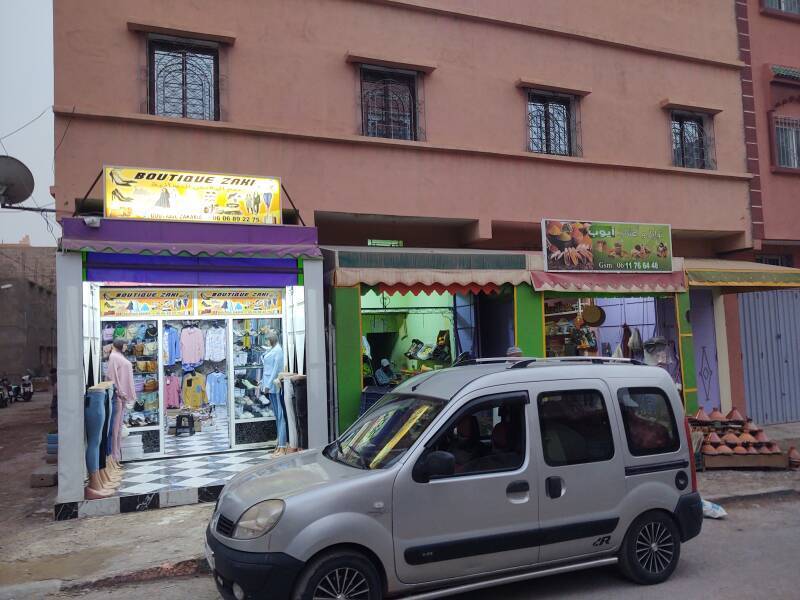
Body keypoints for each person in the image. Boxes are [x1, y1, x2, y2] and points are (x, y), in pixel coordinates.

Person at [260, 332, 288, 456]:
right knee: (277, 416)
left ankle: (282, 445)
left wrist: (268, 385)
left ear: (272, 339)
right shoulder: (272, 350)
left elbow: (276, 369)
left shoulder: (278, 351)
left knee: (281, 416)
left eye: (267, 340)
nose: (266, 342)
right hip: (270, 386)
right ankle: (279, 444)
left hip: (275, 386)